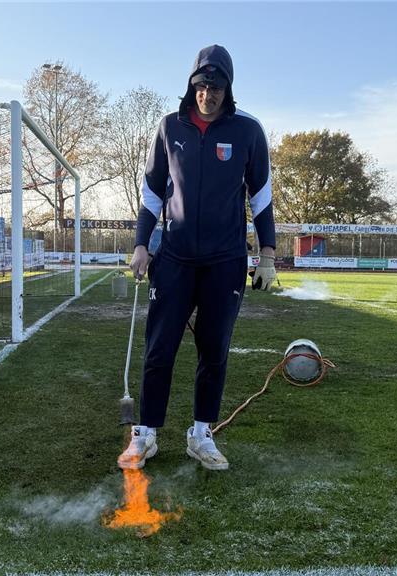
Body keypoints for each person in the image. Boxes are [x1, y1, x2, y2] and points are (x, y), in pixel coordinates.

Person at [119, 44, 277, 471]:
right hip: (174, 258)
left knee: (214, 350)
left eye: (217, 85)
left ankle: (201, 434)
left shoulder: (248, 131)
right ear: (192, 86)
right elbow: (152, 191)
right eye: (203, 85)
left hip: (225, 261)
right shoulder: (169, 127)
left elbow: (261, 196)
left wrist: (267, 253)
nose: (209, 93)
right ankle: (146, 433)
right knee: (160, 348)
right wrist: (140, 244)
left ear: (228, 88)